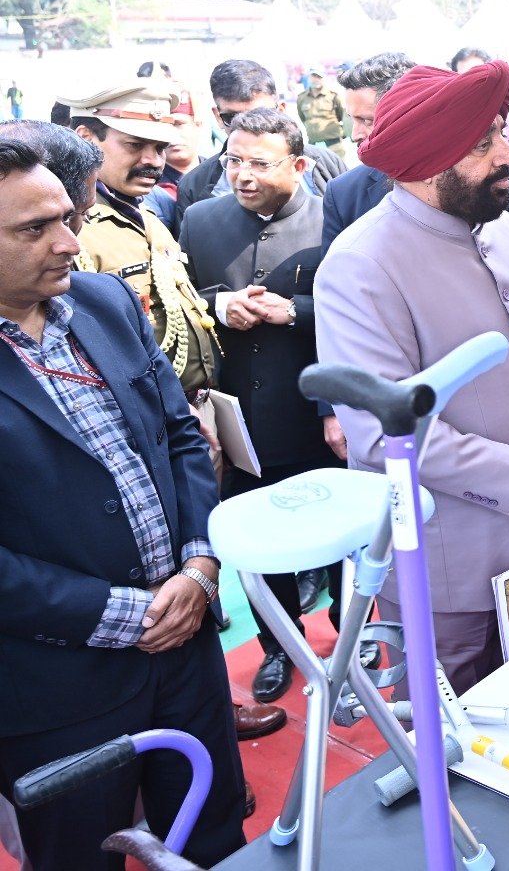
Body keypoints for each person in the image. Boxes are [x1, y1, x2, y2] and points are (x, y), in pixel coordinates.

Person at [0, 138, 248, 870]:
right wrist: (123, 614)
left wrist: (200, 564)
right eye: (35, 229)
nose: (69, 242)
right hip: (59, 687)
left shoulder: (103, 301)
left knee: (212, 838)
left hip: (187, 644)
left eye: (65, 218)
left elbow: (181, 435)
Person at [315, 60, 509, 694]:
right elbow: (383, 436)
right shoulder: (360, 266)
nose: (508, 156)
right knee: (454, 734)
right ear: (424, 164)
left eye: (501, 134)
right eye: (481, 145)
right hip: (450, 574)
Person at [181, 107, 340, 704]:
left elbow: (359, 314)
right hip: (239, 418)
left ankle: (350, 633)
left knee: (335, 534)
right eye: (233, 161)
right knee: (260, 539)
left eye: (259, 163)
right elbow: (181, 298)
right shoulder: (200, 220)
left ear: (298, 166)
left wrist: (295, 311)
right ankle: (280, 645)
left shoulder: (331, 221)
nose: (242, 175)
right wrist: (220, 305)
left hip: (316, 414)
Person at [59, 79, 220, 399]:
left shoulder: (146, 216)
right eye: (135, 145)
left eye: (159, 148)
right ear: (86, 139)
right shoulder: (73, 230)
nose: (154, 161)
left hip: (191, 403)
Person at [324, 52, 509, 266]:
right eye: (352, 119)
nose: (355, 134)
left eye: (367, 120)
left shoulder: (505, 191)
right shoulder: (345, 206)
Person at [174, 60, 345, 236]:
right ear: (218, 117)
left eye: (261, 114)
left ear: (281, 110)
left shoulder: (326, 165)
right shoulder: (195, 186)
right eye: (232, 117)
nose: (247, 124)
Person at [296, 69, 346, 156]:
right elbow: (302, 117)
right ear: (309, 78)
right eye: (313, 76)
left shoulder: (333, 95)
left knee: (338, 163)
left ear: (324, 78)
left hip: (333, 139)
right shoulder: (302, 97)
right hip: (313, 141)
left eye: (319, 77)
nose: (316, 79)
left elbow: (341, 114)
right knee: (314, 164)